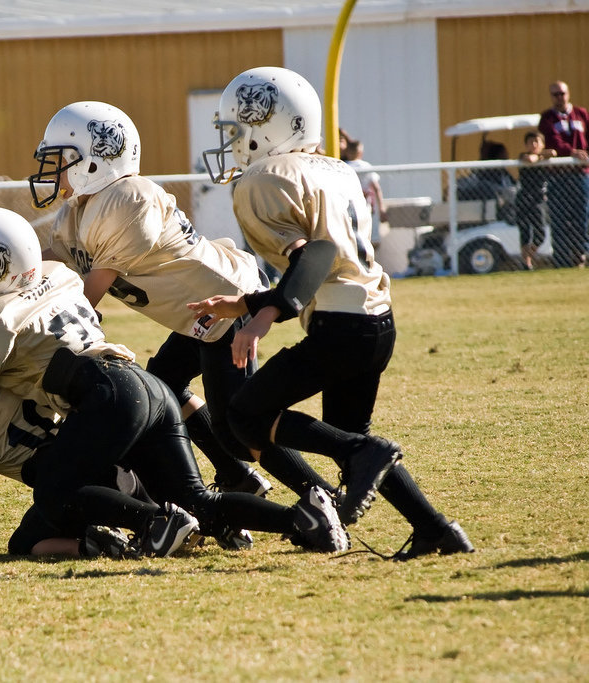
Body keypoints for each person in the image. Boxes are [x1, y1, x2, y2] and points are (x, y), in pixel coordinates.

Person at [0, 207, 349, 557]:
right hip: (146, 386)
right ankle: (304, 518)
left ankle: (154, 524)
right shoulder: (57, 272)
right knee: (198, 499)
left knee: (56, 493)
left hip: (106, 395)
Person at [192, 66, 474, 560]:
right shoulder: (336, 169)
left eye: (237, 129)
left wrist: (263, 316)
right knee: (352, 442)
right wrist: (245, 303)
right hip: (376, 322)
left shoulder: (263, 178)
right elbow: (330, 264)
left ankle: (353, 474)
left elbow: (316, 256)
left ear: (267, 126)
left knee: (244, 413)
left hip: (339, 328)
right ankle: (436, 530)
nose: (232, 141)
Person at [28, 100, 337, 502]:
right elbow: (52, 267)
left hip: (228, 305)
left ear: (95, 160)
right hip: (198, 313)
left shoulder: (128, 198)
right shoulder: (77, 210)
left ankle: (321, 492)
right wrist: (10, 275)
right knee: (166, 383)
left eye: (63, 159)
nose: (55, 170)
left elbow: (87, 296)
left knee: (243, 429)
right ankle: (237, 477)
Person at [538, 79, 589, 268]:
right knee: (559, 218)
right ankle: (561, 258)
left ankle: (580, 255)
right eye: (555, 94)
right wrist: (571, 152)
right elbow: (552, 139)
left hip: (580, 174)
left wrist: (583, 154)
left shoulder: (581, 114)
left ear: (568, 94)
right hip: (558, 176)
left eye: (562, 93)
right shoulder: (548, 118)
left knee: (581, 216)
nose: (559, 97)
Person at [515, 131, 554, 270]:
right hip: (524, 198)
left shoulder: (544, 157)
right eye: (530, 142)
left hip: (539, 199)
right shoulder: (523, 156)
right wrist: (540, 157)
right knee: (525, 231)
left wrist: (542, 155)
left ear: (542, 144)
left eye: (537, 142)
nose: (534, 145)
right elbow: (530, 160)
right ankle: (526, 263)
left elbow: (553, 153)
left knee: (540, 233)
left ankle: (529, 256)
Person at [342, 139, 386, 248]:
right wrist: (381, 208)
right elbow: (377, 188)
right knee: (370, 238)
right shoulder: (366, 166)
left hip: (347, 207)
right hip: (366, 207)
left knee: (351, 239)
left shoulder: (343, 166)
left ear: (347, 152)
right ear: (360, 153)